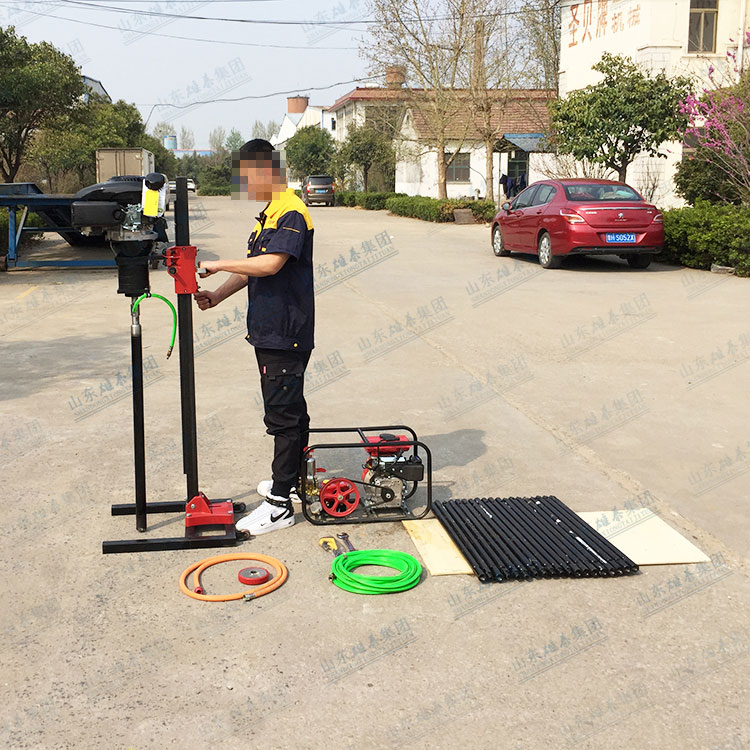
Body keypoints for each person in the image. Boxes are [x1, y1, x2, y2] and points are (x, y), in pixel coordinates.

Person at [193, 138, 314, 536]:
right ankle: (291, 482)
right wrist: (217, 295)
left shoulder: (291, 211)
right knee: (290, 410)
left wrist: (216, 263)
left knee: (283, 415)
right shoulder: (270, 214)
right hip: (269, 330)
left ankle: (279, 505)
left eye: (246, 177)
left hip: (285, 332)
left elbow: (271, 264)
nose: (244, 186)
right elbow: (251, 269)